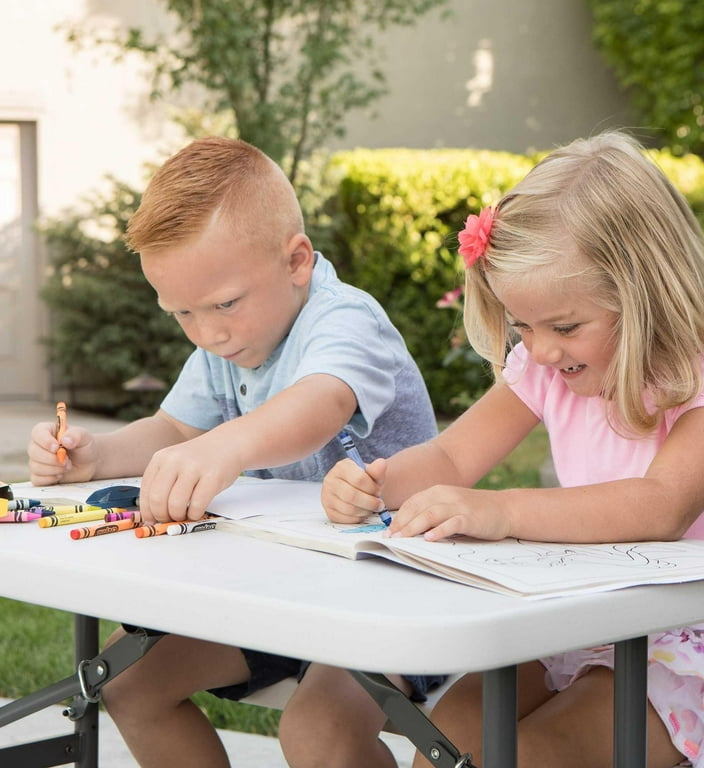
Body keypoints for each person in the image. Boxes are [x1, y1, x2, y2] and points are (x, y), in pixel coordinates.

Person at [319, 131, 704, 768]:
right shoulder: (546, 366)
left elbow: (662, 506)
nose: (541, 349)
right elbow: (449, 460)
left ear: (645, 293)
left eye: (564, 327)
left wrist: (500, 512)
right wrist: (375, 482)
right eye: (523, 326)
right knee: (450, 740)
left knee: (526, 754)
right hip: (585, 623)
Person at [27, 136, 445, 768]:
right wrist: (98, 456)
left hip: (395, 594)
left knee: (317, 732)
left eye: (223, 304)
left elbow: (321, 404)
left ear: (297, 261)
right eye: (182, 313)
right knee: (127, 684)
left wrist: (226, 446)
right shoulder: (228, 342)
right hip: (283, 589)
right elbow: (174, 430)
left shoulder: (345, 320)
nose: (208, 332)